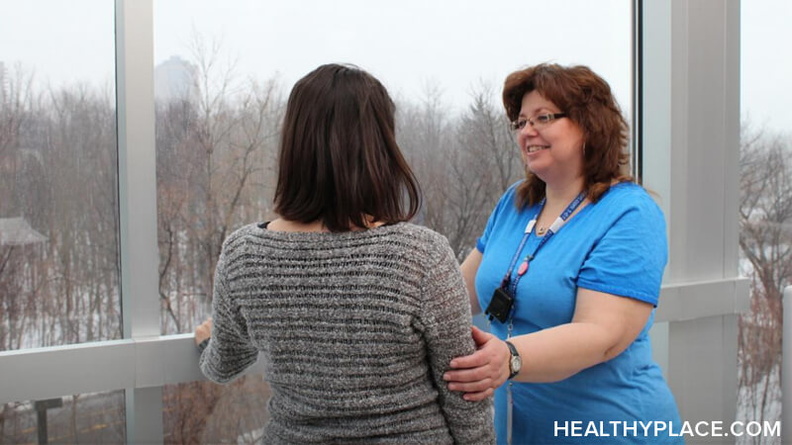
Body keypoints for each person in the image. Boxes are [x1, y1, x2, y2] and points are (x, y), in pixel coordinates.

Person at [194, 63, 494, 445]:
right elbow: (464, 392)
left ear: (294, 145)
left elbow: (224, 364)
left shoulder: (243, 253)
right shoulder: (422, 254)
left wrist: (207, 343)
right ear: (381, 148)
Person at [442, 63, 682, 444]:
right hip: (520, 431)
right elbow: (453, 294)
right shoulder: (514, 204)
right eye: (520, 122)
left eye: (543, 117)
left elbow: (601, 334)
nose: (527, 132)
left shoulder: (629, 214)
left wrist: (509, 357)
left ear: (589, 125)